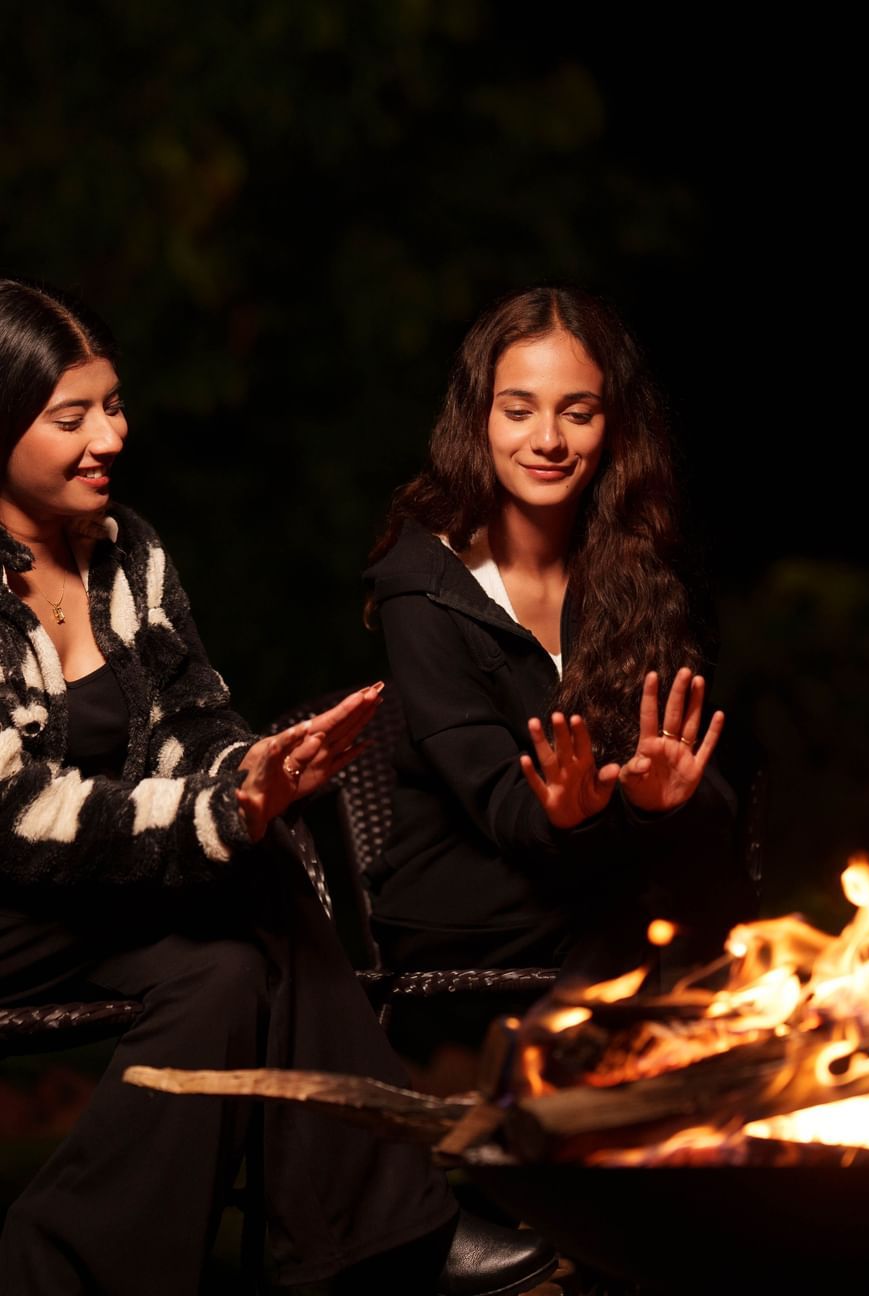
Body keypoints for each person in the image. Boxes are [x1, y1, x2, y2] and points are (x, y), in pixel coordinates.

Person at [0, 277, 558, 1296]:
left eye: (113, 405)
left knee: (220, 977)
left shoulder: (128, 552)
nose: (109, 437)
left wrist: (253, 773)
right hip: (16, 898)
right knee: (252, 881)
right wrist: (223, 815)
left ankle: (62, 1274)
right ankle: (399, 1236)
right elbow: (17, 818)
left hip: (94, 891)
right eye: (70, 418)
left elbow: (194, 722)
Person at [363, 286, 755, 1028]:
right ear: (479, 419)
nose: (547, 439)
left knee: (700, 900)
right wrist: (573, 817)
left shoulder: (646, 570)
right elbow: (499, 803)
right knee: (648, 923)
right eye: (519, 411)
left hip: (609, 887)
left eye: (578, 412)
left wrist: (655, 803)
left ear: (613, 427)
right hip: (470, 913)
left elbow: (702, 788)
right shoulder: (423, 582)